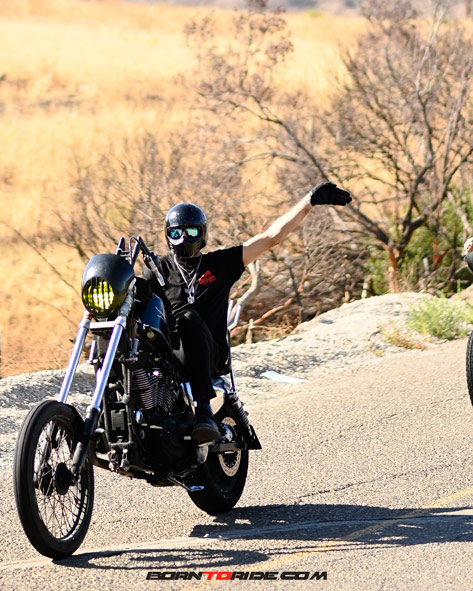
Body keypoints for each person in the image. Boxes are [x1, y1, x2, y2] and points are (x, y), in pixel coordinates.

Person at [144, 182, 351, 442]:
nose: (184, 238)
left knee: (189, 318)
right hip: (173, 354)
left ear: (203, 234)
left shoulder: (219, 263)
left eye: (191, 231)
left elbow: (271, 237)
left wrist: (309, 201)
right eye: (176, 233)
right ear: (167, 235)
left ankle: (204, 411)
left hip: (210, 353)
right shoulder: (157, 269)